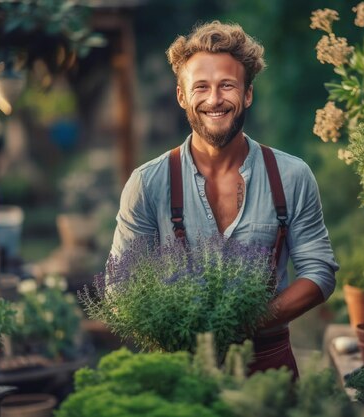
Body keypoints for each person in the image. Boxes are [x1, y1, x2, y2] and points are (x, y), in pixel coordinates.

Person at [109, 21, 338, 379]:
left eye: (227, 86)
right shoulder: (148, 183)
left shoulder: (292, 176)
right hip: (180, 369)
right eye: (201, 87)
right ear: (182, 96)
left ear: (247, 94)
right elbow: (120, 290)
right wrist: (180, 329)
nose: (214, 99)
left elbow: (319, 272)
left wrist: (245, 321)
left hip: (268, 368)